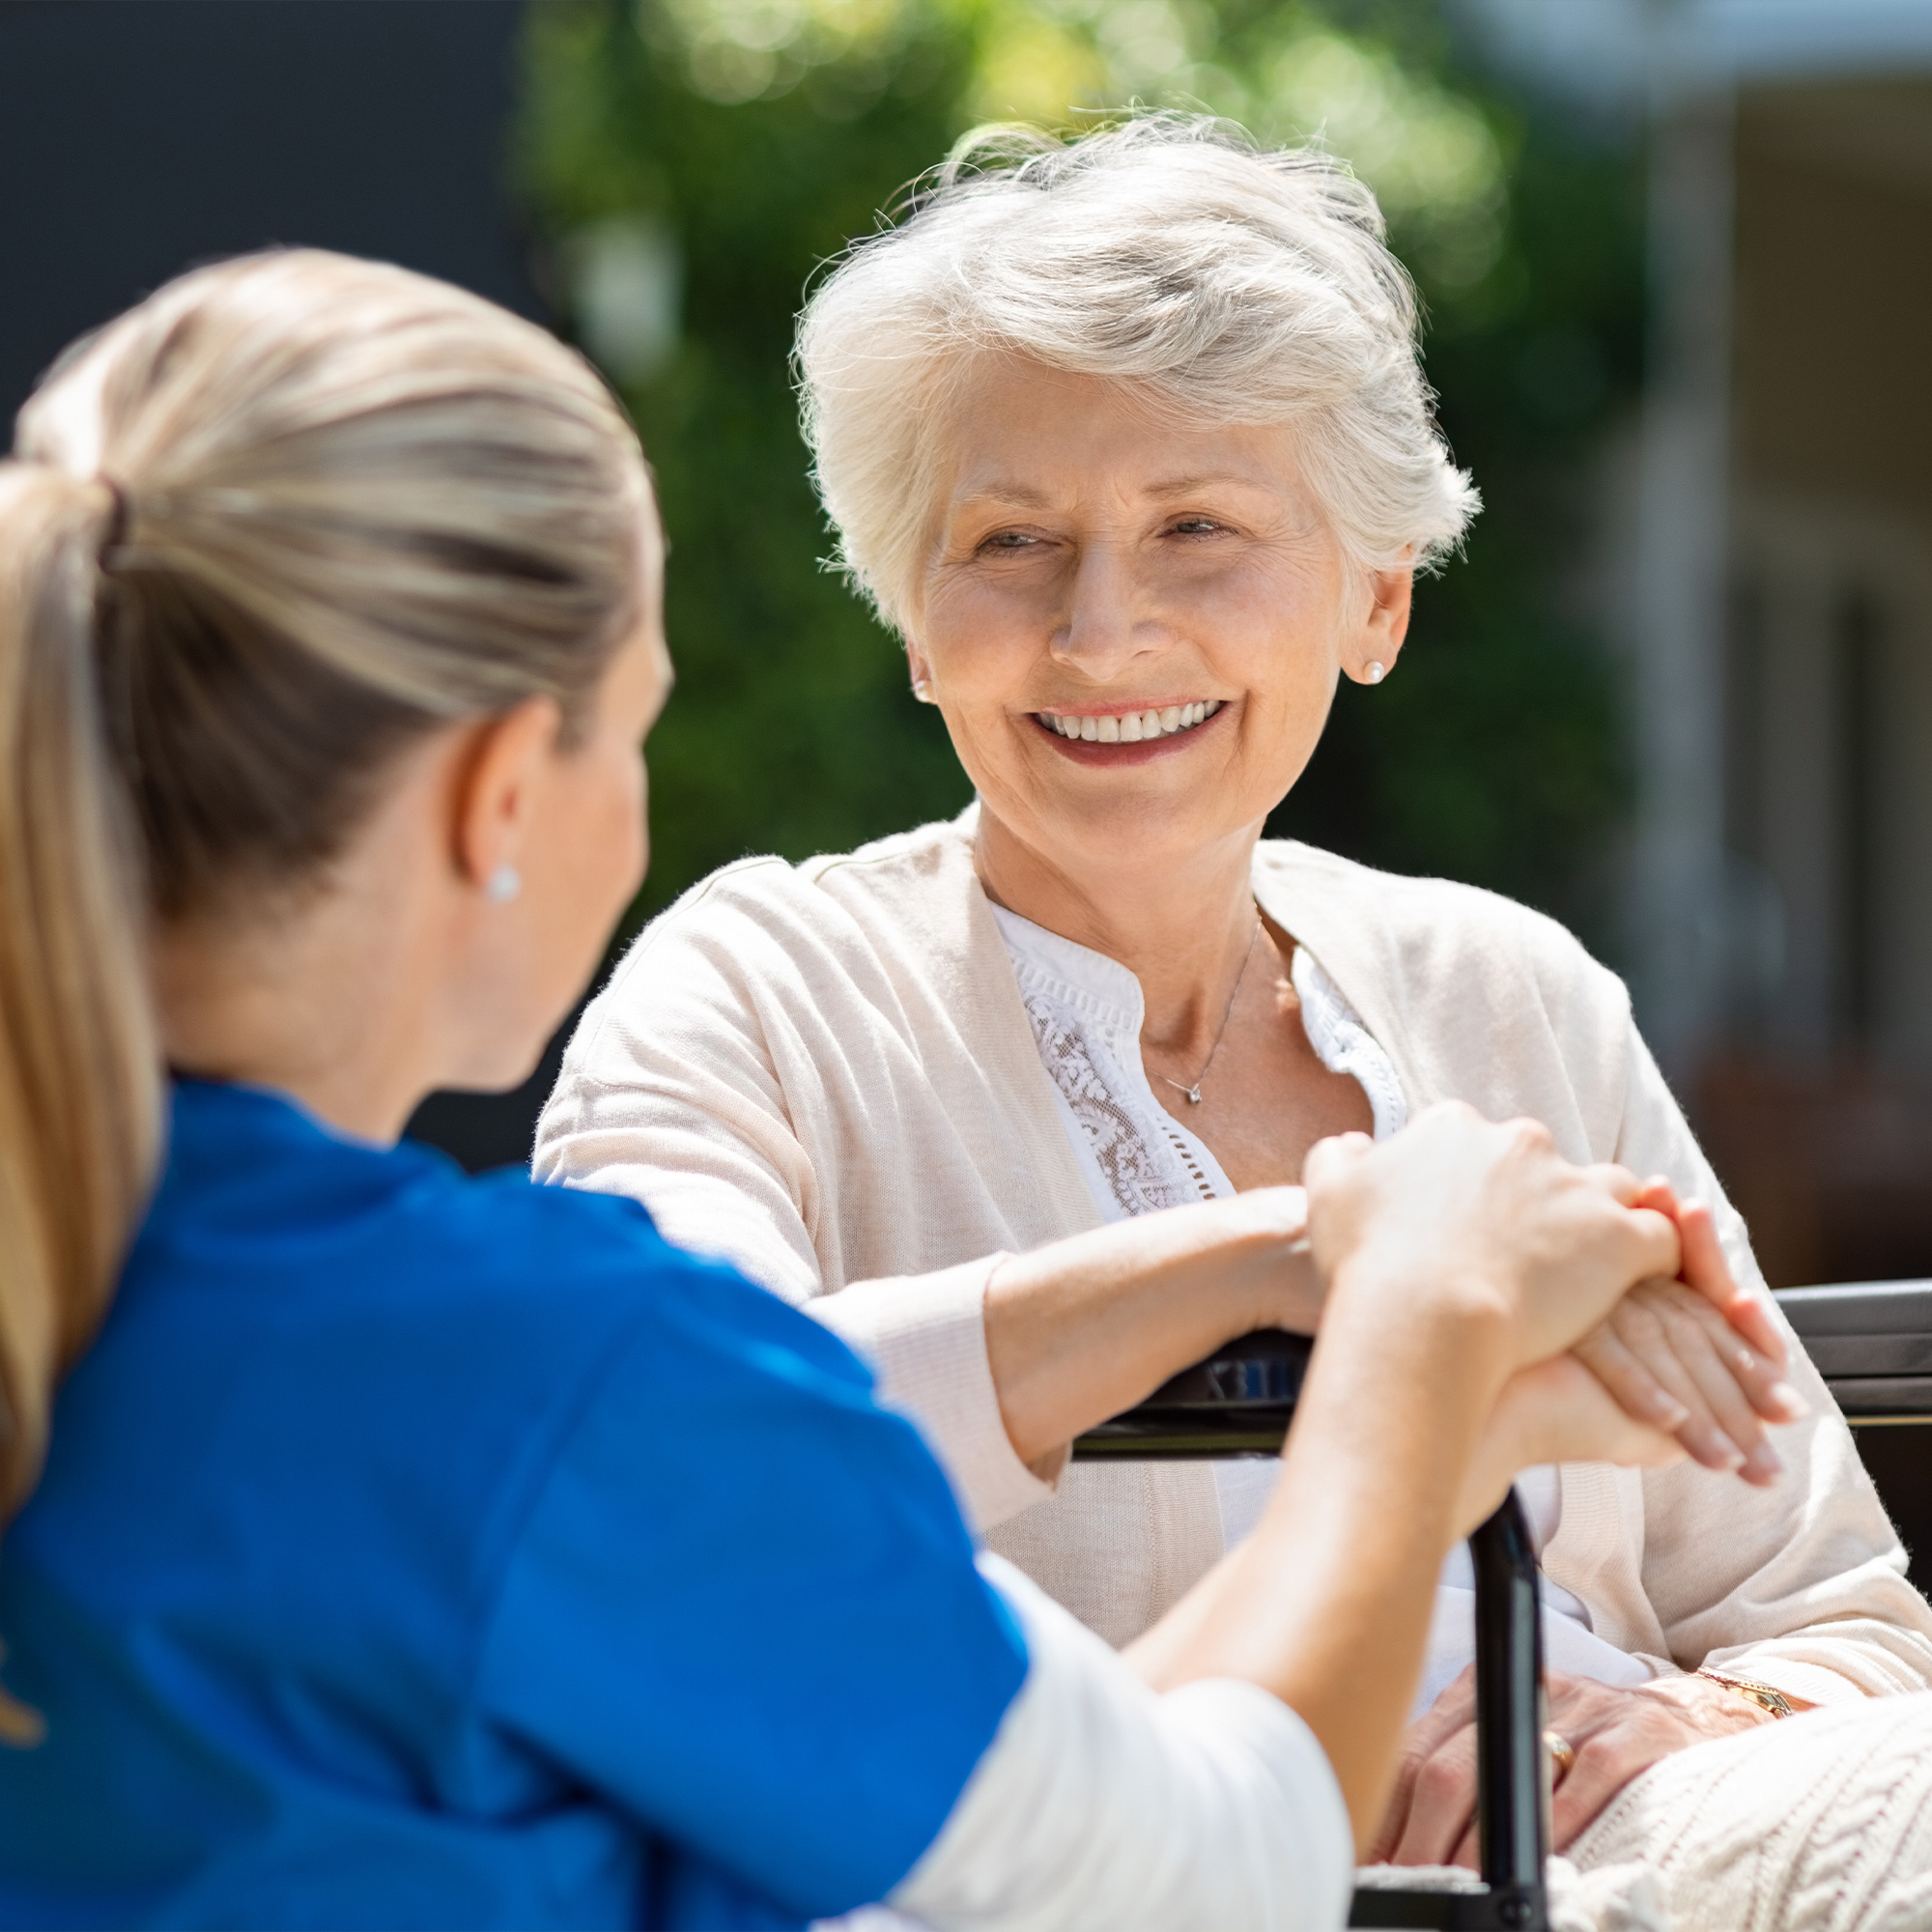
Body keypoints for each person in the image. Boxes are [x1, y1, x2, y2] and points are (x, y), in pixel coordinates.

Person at [0, 247, 1705, 1930]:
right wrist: (1415, 1341)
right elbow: (1216, 1873)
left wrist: (1273, 1261)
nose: (1100, 618)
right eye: (640, 723)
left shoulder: (98, 1298)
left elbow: (1051, 1858)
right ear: (503, 794)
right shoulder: (555, 1378)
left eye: (1193, 526)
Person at [531, 112, 1932, 1866]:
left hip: (1658, 1850)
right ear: (911, 614)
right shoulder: (758, 990)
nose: (1102, 631)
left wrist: (1687, 1718)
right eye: (1011, 543)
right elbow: (663, 1468)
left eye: (1197, 526)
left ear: (1377, 598)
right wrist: (1311, 1257)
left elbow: (1843, 1618)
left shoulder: (1511, 995)